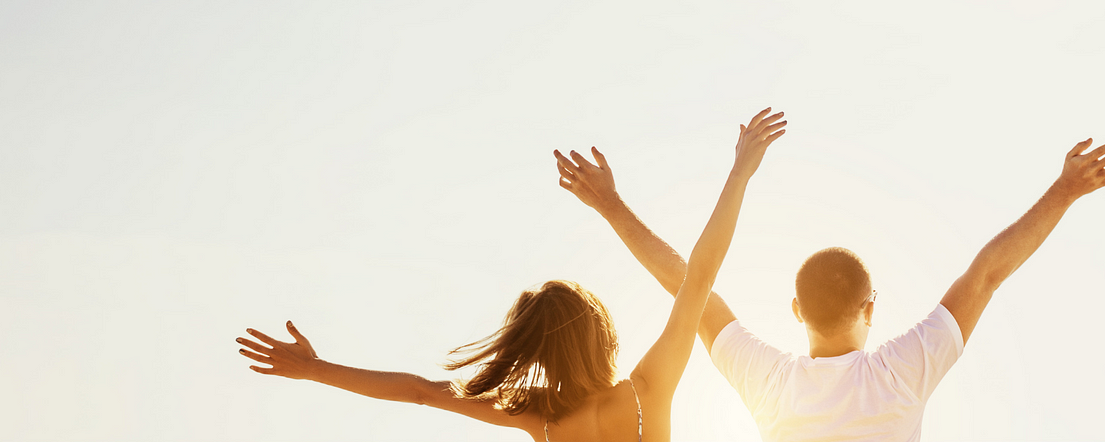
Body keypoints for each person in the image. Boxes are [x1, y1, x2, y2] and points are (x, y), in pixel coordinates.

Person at [234, 108, 789, 442]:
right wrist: (739, 171)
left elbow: (422, 393)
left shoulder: (538, 415)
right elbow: (698, 278)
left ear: (535, 350)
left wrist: (315, 369)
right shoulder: (647, 390)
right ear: (603, 334)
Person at [559, 135, 1105, 442]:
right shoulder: (902, 371)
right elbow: (985, 273)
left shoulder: (769, 381)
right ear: (870, 306)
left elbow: (687, 285)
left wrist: (610, 205)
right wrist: (1064, 190)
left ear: (795, 310)